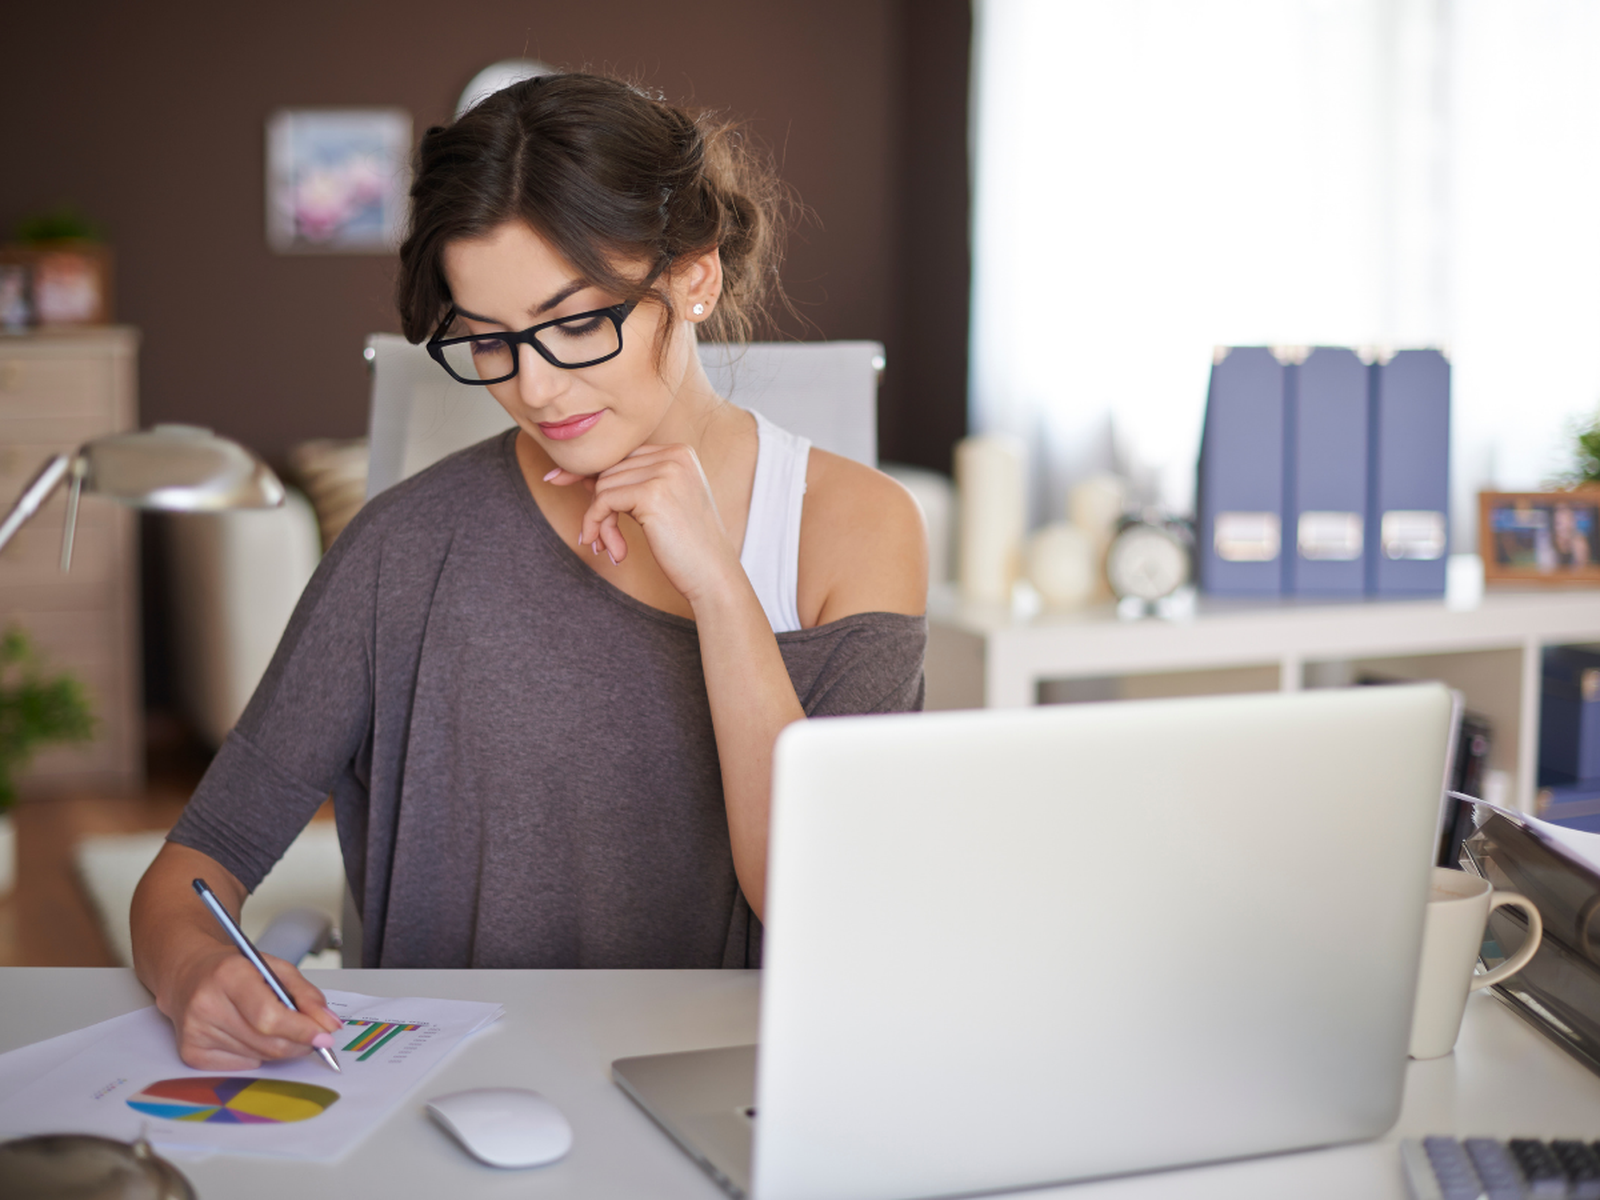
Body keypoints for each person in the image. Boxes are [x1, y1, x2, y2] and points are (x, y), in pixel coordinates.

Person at [129, 73, 928, 1071]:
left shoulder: (853, 529)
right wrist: (196, 969)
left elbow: (824, 909)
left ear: (695, 276)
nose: (536, 387)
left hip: (728, 1096)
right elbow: (190, 873)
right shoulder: (402, 548)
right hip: (444, 1103)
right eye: (491, 342)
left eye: (575, 321)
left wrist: (719, 590)